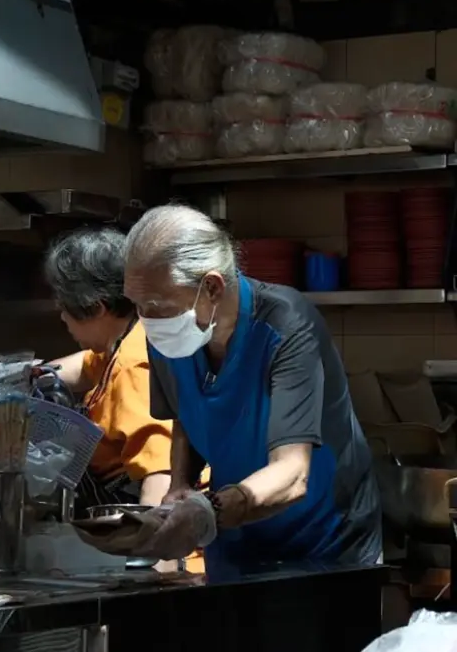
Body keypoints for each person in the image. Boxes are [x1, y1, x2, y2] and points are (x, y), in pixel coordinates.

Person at [117, 204, 381, 570]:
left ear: (211, 287)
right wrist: (181, 486)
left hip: (324, 541)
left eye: (154, 305)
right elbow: (186, 415)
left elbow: (292, 473)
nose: (145, 317)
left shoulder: (285, 324)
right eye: (137, 305)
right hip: (234, 538)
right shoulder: (168, 328)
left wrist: (206, 511)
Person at [42, 227, 205, 573]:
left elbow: (161, 473)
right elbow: (83, 369)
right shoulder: (124, 337)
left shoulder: (135, 364)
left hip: (172, 547)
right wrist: (26, 375)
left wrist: (152, 571)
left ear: (97, 308)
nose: (61, 318)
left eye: (64, 308)